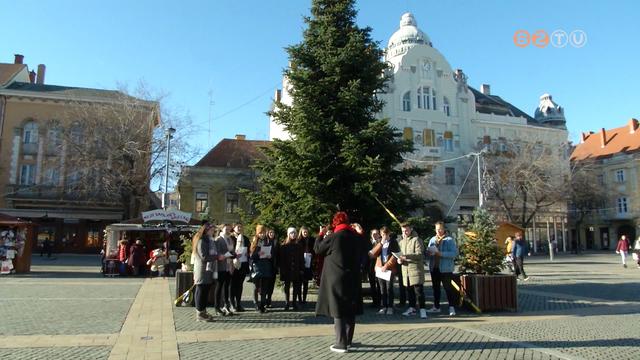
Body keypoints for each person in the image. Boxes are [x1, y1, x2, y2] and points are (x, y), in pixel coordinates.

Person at [315, 211, 367, 353]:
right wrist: (360, 232)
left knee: (338, 309)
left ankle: (341, 343)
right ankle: (348, 341)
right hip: (353, 278)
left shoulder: (334, 236)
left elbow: (318, 249)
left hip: (336, 278)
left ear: (335, 223)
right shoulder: (356, 237)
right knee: (350, 309)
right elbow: (365, 247)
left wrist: (320, 234)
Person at [426, 221, 459, 316]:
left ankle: (451, 307)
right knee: (436, 289)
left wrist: (441, 254)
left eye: (440, 229)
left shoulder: (449, 239)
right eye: (437, 229)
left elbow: (454, 253)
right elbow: (428, 251)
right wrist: (429, 253)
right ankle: (436, 307)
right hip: (434, 268)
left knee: (448, 288)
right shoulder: (432, 239)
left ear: (444, 229)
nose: (439, 231)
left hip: (446, 269)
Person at [397, 223, 427, 319]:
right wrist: (399, 260)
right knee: (409, 291)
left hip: (415, 270)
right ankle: (412, 308)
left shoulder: (416, 240)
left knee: (419, 291)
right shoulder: (401, 242)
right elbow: (400, 254)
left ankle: (423, 310)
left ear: (411, 229)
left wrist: (406, 256)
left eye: (406, 230)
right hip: (405, 271)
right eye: (402, 231)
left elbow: (420, 255)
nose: (404, 233)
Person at [191, 224, 218, 322]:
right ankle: (200, 313)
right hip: (202, 270)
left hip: (207, 270)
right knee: (201, 291)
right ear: (206, 230)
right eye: (212, 230)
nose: (213, 232)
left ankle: (203, 310)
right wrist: (217, 257)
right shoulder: (202, 240)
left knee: (205, 291)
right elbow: (204, 256)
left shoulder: (209, 240)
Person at [278, 227, 305, 311]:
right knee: (287, 287)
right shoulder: (284, 246)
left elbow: (301, 259)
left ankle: (294, 303)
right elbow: (281, 260)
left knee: (296, 287)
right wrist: (282, 271)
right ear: (288, 234)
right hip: (287, 269)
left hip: (296, 269)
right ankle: (287, 303)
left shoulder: (299, 246)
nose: (293, 234)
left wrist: (301, 269)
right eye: (291, 233)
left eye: (294, 233)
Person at [375, 226, 399, 315]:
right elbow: (374, 254)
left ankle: (390, 306)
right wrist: (381, 243)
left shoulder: (393, 242)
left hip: (389, 268)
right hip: (380, 268)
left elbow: (395, 255)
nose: (383, 236)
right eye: (381, 234)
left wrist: (387, 265)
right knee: (382, 289)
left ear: (388, 233)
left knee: (389, 288)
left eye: (385, 234)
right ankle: (383, 306)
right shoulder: (379, 242)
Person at [249, 224, 274, 313]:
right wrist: (258, 254)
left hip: (266, 265)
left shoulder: (268, 241)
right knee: (256, 286)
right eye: (260, 233)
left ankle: (263, 305)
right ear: (257, 233)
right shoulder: (254, 241)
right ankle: (256, 304)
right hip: (257, 266)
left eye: (263, 232)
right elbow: (251, 256)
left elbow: (272, 253)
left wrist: (270, 255)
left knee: (264, 287)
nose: (262, 234)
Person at [214, 224, 235, 315]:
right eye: (226, 229)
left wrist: (234, 254)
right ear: (222, 229)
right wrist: (225, 255)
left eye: (229, 229)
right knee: (219, 287)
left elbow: (232, 251)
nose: (228, 230)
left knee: (227, 287)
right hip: (221, 266)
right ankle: (217, 307)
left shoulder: (230, 239)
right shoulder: (219, 239)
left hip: (229, 266)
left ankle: (226, 306)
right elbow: (217, 252)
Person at [230, 223, 250, 312]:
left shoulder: (245, 238)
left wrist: (247, 253)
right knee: (232, 285)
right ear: (233, 228)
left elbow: (249, 249)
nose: (239, 228)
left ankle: (238, 303)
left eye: (241, 226)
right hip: (232, 264)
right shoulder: (230, 238)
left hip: (242, 264)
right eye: (237, 226)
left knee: (239, 285)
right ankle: (232, 304)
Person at [298, 226, 315, 306]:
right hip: (300, 263)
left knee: (306, 283)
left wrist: (312, 255)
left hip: (308, 262)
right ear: (301, 232)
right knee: (299, 282)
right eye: (304, 232)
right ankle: (299, 299)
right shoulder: (298, 240)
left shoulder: (311, 240)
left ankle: (304, 299)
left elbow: (314, 250)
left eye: (306, 232)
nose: (305, 233)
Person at [367, 229, 382, 309]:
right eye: (373, 234)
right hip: (371, 266)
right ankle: (374, 301)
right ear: (371, 235)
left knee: (379, 284)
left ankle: (380, 301)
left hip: (379, 265)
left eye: (376, 234)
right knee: (372, 284)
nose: (375, 235)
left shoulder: (381, 242)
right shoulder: (368, 242)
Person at [264, 229, 279, 307]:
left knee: (272, 284)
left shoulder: (276, 242)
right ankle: (265, 300)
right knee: (266, 283)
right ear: (267, 233)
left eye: (273, 232)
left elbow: (279, 254)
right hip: (266, 265)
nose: (271, 234)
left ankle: (269, 299)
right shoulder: (265, 241)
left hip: (274, 265)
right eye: (270, 232)